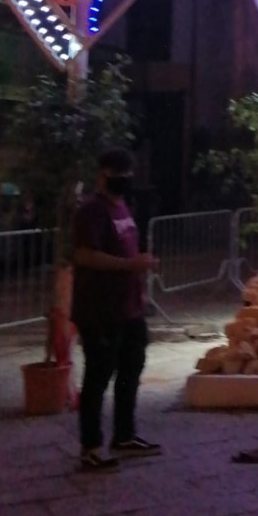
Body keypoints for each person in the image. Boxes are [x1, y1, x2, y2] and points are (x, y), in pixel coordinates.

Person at [70, 147, 159, 472]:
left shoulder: (123, 206)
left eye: (127, 176)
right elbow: (84, 255)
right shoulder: (91, 211)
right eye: (117, 176)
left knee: (131, 370)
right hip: (99, 310)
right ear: (102, 175)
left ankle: (124, 434)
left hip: (129, 307)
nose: (123, 181)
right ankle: (90, 446)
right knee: (98, 376)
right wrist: (130, 264)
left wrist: (139, 279)